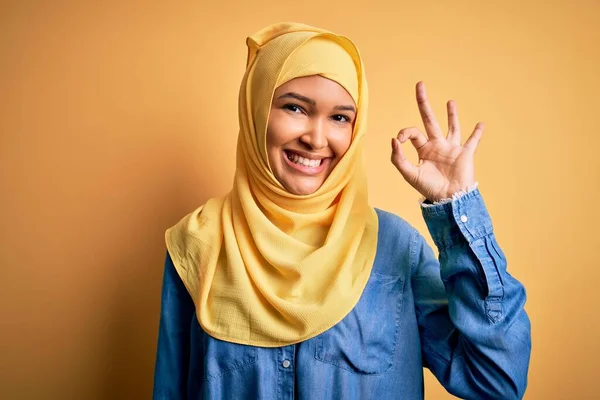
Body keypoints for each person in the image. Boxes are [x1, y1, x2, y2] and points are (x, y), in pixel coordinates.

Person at [153, 22, 531, 400]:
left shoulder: (396, 250)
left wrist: (456, 206)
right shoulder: (199, 242)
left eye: (339, 117)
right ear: (255, 112)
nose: (316, 139)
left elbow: (497, 382)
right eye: (294, 107)